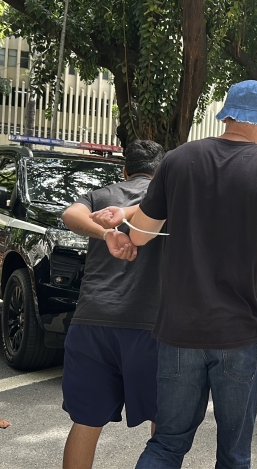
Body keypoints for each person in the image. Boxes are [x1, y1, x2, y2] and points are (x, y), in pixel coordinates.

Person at [90, 80, 257, 468]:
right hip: (239, 336)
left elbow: (142, 235)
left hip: (178, 334)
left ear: (227, 116)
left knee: (166, 445)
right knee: (234, 455)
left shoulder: (177, 160)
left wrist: (121, 225)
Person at [59, 140, 166, 469]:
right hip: (151, 327)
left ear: (124, 170)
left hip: (92, 320)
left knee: (85, 422)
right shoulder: (168, 199)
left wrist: (106, 233)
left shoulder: (101, 196)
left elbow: (70, 215)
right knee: (164, 426)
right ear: (161, 170)